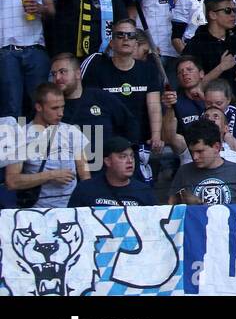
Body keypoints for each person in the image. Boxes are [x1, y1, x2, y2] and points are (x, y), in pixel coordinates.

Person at [82, 19, 164, 159]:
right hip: (106, 141)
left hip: (139, 140)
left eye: (131, 35)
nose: (126, 38)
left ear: (136, 44)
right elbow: (91, 107)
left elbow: (154, 106)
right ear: (112, 43)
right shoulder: (97, 68)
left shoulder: (148, 69)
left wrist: (156, 136)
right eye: (120, 35)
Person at [3, 83, 90, 208]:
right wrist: (50, 175)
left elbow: (85, 176)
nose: (60, 113)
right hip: (37, 211)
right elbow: (11, 181)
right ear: (39, 107)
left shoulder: (72, 132)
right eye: (54, 108)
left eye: (62, 107)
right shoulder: (20, 136)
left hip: (71, 209)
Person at [0, 0, 54, 119]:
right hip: (5, 50)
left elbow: (51, 10)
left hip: (35, 48)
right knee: (10, 110)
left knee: (38, 110)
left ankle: (37, 148)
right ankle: (8, 148)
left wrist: (41, 8)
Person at [169, 118, 236, 205]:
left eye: (200, 151)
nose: (195, 157)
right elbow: (171, 208)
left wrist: (199, 204)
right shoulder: (184, 172)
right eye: (191, 152)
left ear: (217, 147)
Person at [182, 0, 236, 85]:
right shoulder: (195, 45)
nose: (233, 15)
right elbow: (192, 86)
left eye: (234, 10)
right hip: (207, 98)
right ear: (212, 15)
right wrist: (221, 67)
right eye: (228, 10)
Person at [68, 136, 156, 207]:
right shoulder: (85, 190)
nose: (130, 160)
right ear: (108, 161)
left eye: (132, 156)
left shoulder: (144, 191)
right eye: (123, 156)